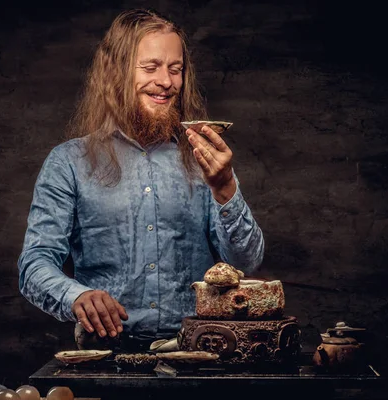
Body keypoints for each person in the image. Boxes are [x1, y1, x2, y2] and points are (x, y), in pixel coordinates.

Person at [17, 8, 264, 349]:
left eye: (175, 70)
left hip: (198, 354)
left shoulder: (204, 160)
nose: (166, 82)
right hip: (105, 353)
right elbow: (34, 263)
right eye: (151, 67)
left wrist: (224, 188)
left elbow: (246, 264)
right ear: (115, 72)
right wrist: (76, 296)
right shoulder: (68, 162)